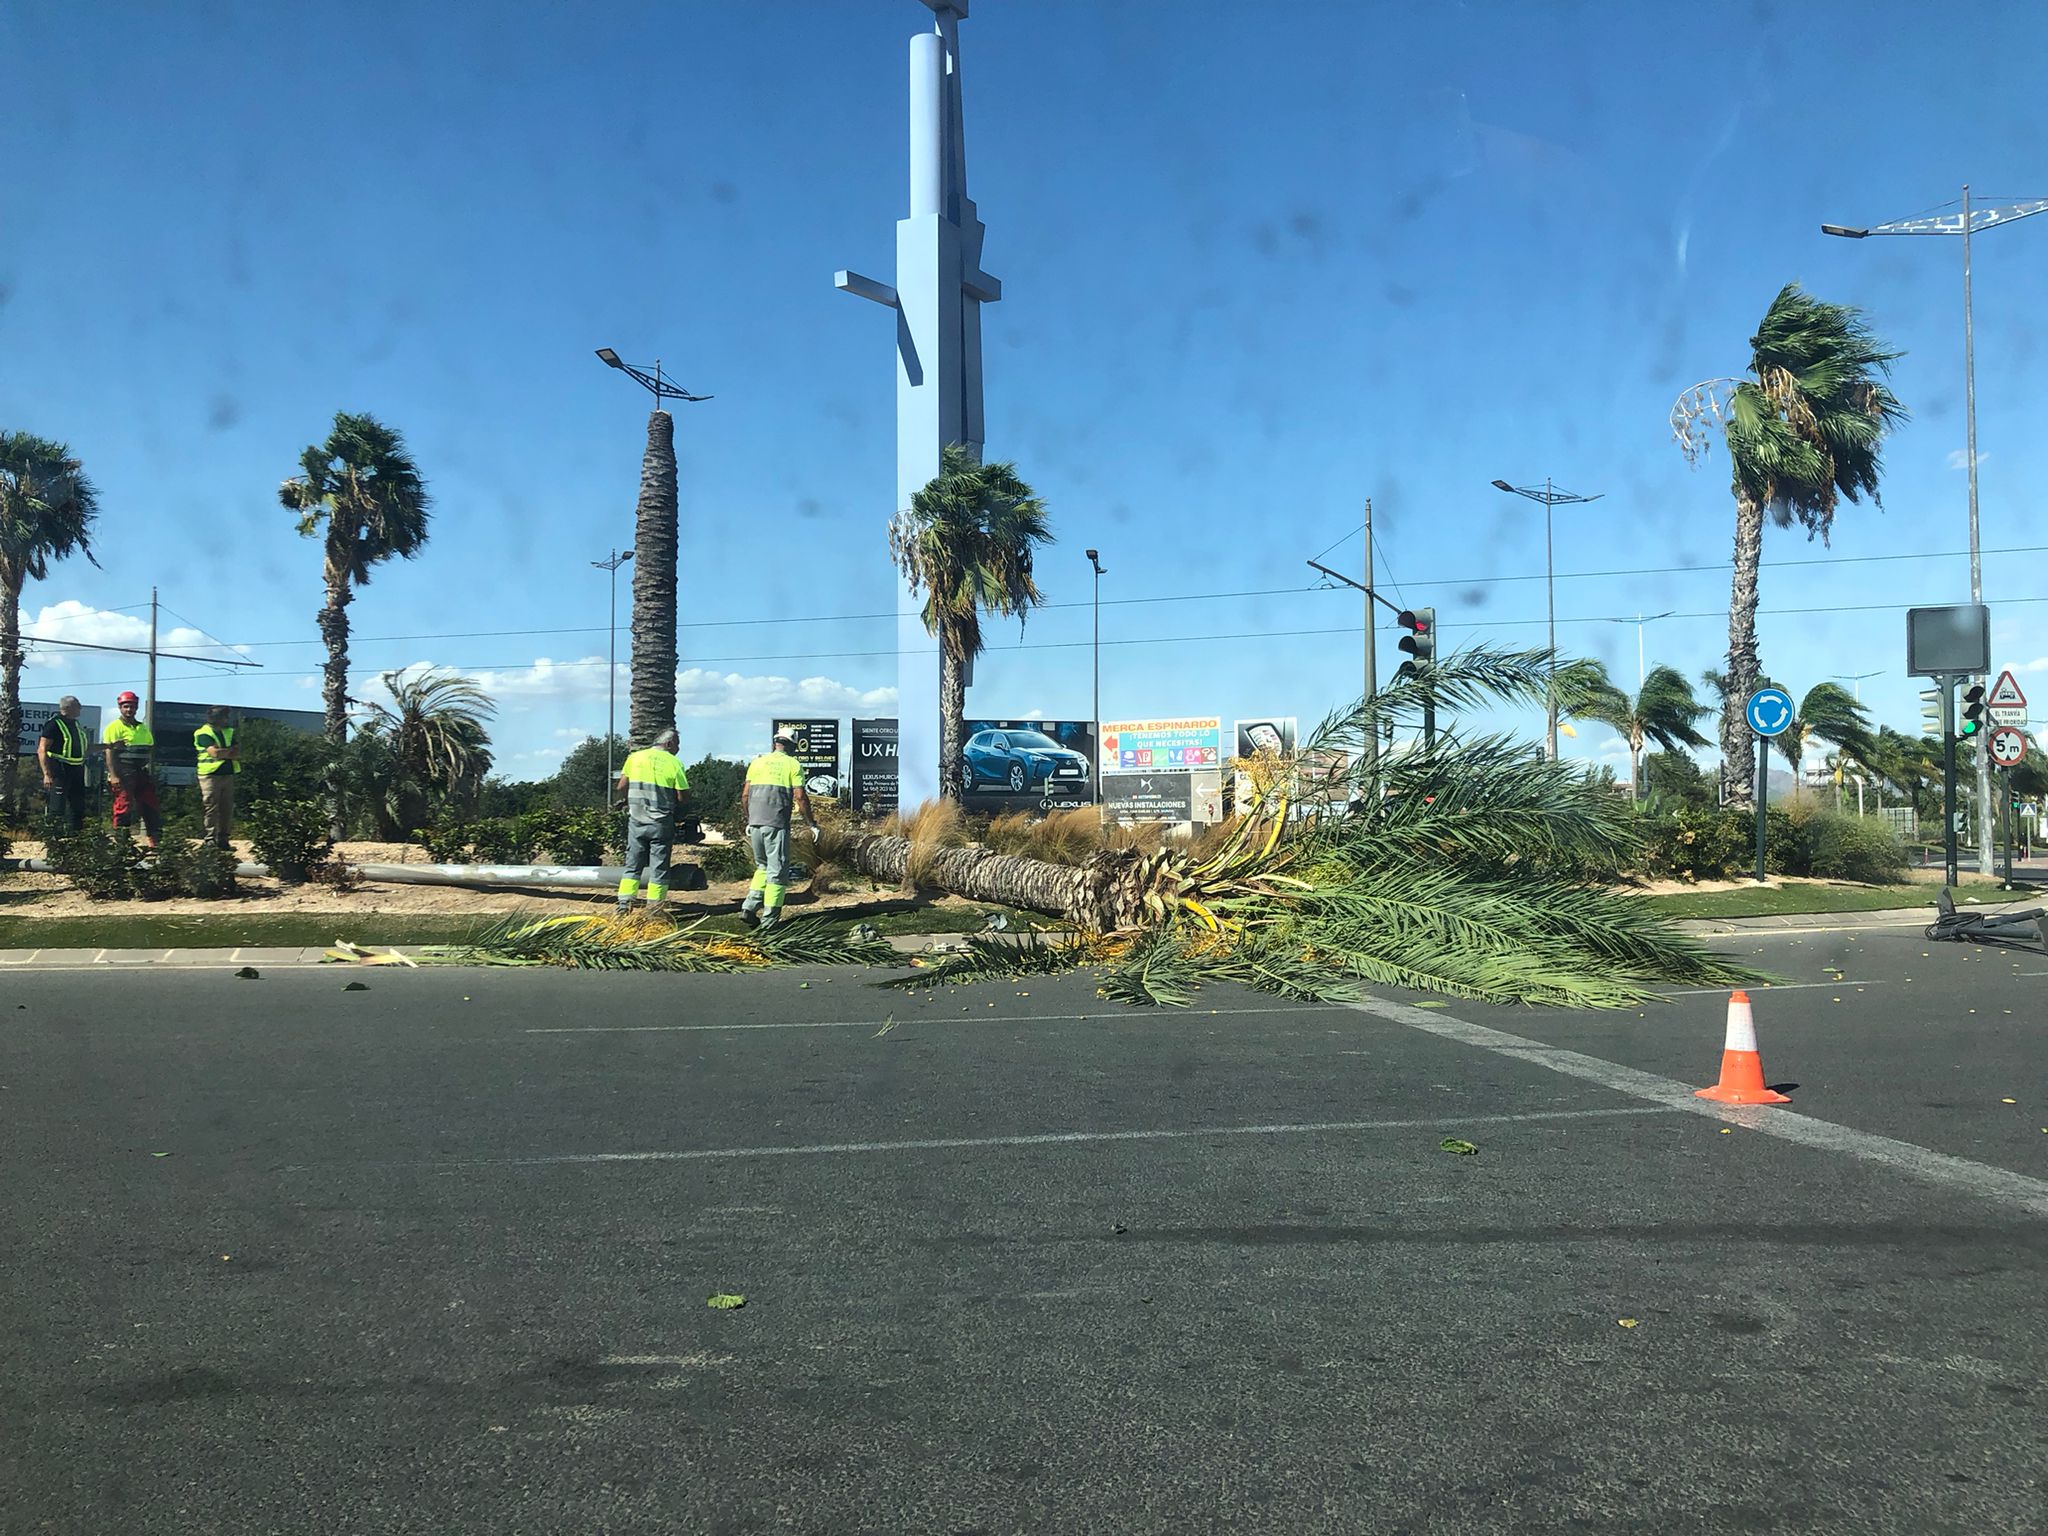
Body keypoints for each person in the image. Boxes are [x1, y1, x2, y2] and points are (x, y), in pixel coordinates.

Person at [739, 727, 815, 932]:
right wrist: (811, 823)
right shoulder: (793, 764)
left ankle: (749, 906)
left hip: (755, 823)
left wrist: (749, 819)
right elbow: (800, 797)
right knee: (778, 873)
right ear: (793, 745)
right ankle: (770, 920)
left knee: (762, 867)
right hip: (776, 824)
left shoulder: (757, 762)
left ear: (775, 743)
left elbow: (745, 795)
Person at [614, 728, 690, 915]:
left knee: (633, 865)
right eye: (678, 744)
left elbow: (621, 786)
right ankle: (655, 908)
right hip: (660, 822)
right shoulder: (675, 763)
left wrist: (630, 801)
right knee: (659, 866)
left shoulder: (635, 758)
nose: (678, 748)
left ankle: (624, 904)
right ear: (669, 744)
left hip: (637, 819)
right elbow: (683, 796)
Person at [101, 690, 161, 849]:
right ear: (120, 707)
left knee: (150, 804)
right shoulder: (114, 727)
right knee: (123, 806)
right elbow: (109, 752)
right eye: (126, 706)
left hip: (140, 771)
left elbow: (149, 748)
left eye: (132, 706)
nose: (129, 710)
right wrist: (113, 775)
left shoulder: (142, 728)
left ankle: (154, 840)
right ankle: (122, 842)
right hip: (123, 770)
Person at [36, 696, 91, 833]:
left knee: (77, 806)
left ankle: (75, 838)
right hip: (59, 769)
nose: (81, 708)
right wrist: (47, 774)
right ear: (68, 708)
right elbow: (42, 749)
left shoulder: (76, 724)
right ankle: (53, 840)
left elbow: (85, 748)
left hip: (77, 770)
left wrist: (109, 746)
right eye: (78, 705)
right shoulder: (54, 724)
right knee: (57, 806)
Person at [192, 705, 242, 851]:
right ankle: (209, 839)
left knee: (227, 808)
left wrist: (225, 752)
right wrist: (229, 752)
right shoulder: (203, 733)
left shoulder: (229, 732)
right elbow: (215, 753)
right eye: (225, 716)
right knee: (211, 807)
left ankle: (223, 839)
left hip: (227, 773)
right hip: (209, 775)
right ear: (218, 718)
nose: (228, 720)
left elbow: (237, 752)